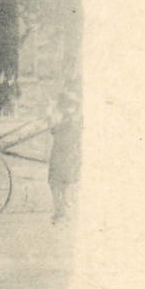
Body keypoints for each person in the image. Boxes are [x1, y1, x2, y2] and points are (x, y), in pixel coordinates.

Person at [47, 89, 82, 224]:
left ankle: (61, 213)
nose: (67, 108)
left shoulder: (70, 120)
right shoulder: (70, 118)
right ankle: (61, 212)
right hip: (63, 153)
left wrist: (50, 114)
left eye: (69, 105)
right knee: (60, 184)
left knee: (58, 183)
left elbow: (53, 129)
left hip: (64, 154)